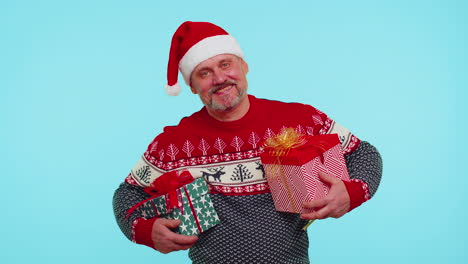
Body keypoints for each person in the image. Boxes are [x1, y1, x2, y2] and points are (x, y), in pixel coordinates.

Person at [113, 21, 382, 264]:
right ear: (193, 86)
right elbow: (127, 194)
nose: (219, 78)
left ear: (244, 66)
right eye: (204, 73)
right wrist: (145, 231)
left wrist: (352, 192)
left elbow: (364, 155)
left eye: (226, 64)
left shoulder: (299, 119)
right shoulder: (172, 143)